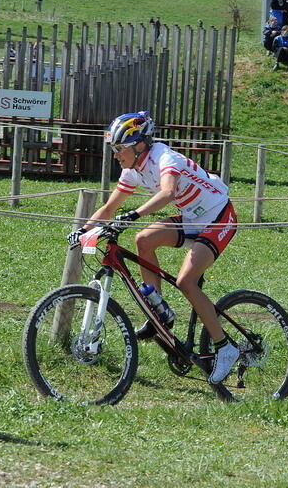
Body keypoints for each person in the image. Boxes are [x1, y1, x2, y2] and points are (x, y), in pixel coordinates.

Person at [65, 112, 241, 384]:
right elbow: (109, 207)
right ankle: (159, 309)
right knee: (144, 240)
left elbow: (168, 192)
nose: (116, 155)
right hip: (193, 217)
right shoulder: (132, 170)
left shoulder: (164, 158)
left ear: (139, 145)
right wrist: (84, 230)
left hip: (218, 217)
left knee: (186, 282)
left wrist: (134, 214)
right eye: (114, 149)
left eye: (119, 148)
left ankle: (225, 346)